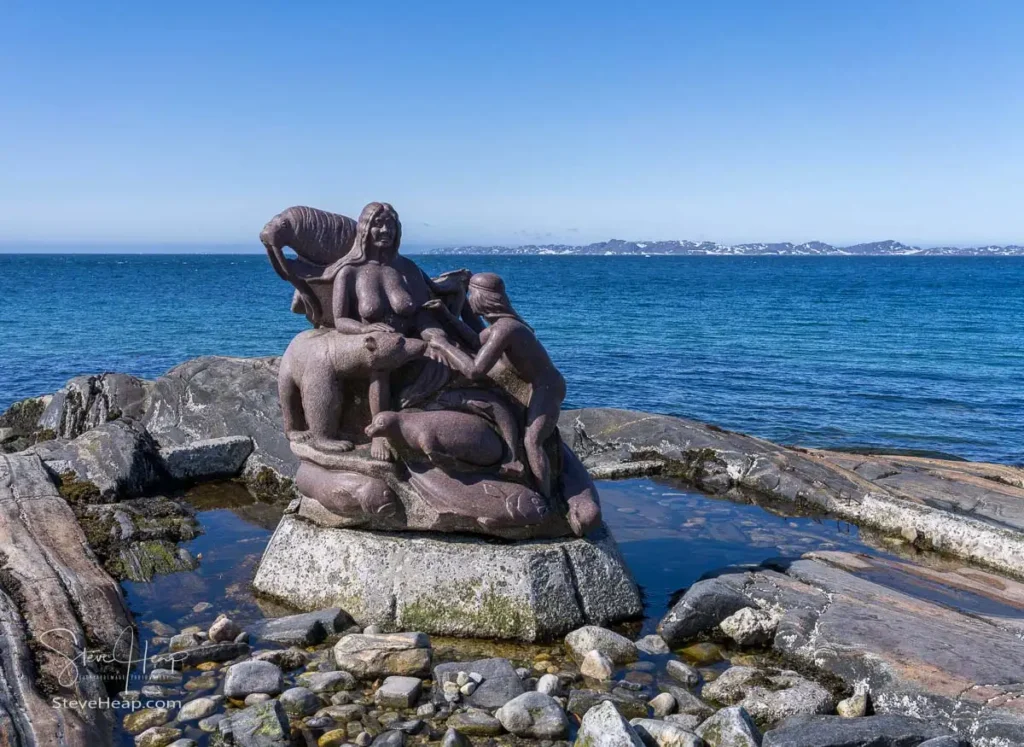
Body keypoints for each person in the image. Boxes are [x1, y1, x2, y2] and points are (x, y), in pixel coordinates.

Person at [324, 202, 449, 459]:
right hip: (369, 342)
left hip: (407, 342)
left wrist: (436, 336)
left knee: (447, 359)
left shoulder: (407, 269)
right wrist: (364, 328)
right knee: (380, 365)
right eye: (378, 225)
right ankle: (380, 434)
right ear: (365, 230)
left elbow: (422, 313)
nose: (384, 230)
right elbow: (339, 320)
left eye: (390, 225)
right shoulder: (349, 272)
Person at [425, 272, 566, 498]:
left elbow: (474, 371)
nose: (469, 300)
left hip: (546, 388)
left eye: (471, 294)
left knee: (532, 441)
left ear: (482, 298)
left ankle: (546, 498)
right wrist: (444, 314)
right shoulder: (499, 326)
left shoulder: (505, 329)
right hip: (532, 387)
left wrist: (443, 346)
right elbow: (474, 341)